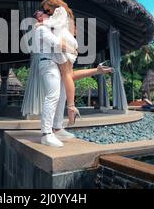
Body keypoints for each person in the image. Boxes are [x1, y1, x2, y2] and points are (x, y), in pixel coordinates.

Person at [23, 10, 113, 148]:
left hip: (53, 63)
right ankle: (46, 134)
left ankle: (57, 128)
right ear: (41, 18)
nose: (49, 15)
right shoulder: (41, 29)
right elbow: (57, 44)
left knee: (62, 95)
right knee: (53, 96)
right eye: (45, 14)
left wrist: (97, 70)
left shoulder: (50, 30)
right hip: (47, 63)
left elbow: (70, 75)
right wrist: (74, 50)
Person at [40, 0, 79, 125]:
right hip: (66, 40)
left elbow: (56, 24)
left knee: (67, 75)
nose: (47, 12)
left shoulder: (60, 11)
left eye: (47, 9)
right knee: (67, 74)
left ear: (52, 5)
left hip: (63, 40)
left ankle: (71, 107)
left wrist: (42, 23)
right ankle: (70, 108)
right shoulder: (65, 12)